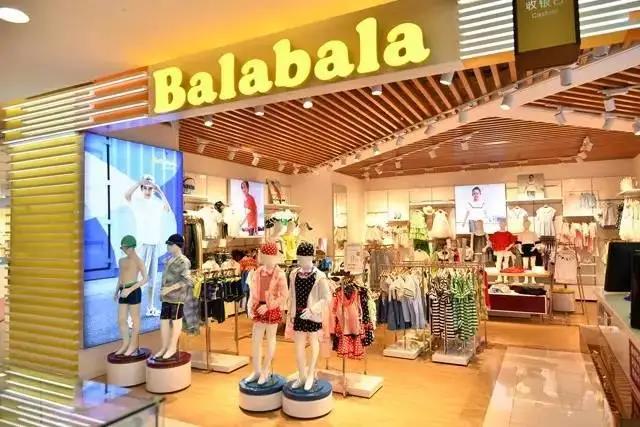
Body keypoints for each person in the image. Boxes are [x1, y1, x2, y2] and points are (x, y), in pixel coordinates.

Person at [125, 174, 171, 317]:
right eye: (145, 187)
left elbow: (168, 209)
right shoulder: (137, 201)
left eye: (150, 188)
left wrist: (160, 191)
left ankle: (150, 308)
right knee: (138, 281)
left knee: (152, 280)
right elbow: (127, 196)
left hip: (154, 245)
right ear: (141, 188)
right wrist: (139, 182)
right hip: (143, 244)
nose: (148, 190)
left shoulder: (157, 203)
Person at [113, 235, 148, 356]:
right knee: (121, 319)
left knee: (135, 319)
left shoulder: (138, 261)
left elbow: (145, 278)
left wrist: (130, 289)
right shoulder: (121, 261)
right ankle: (125, 343)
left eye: (125, 248)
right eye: (122, 248)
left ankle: (133, 345)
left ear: (132, 247)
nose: (123, 250)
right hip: (123, 290)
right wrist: (116, 291)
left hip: (134, 290)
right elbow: (121, 277)